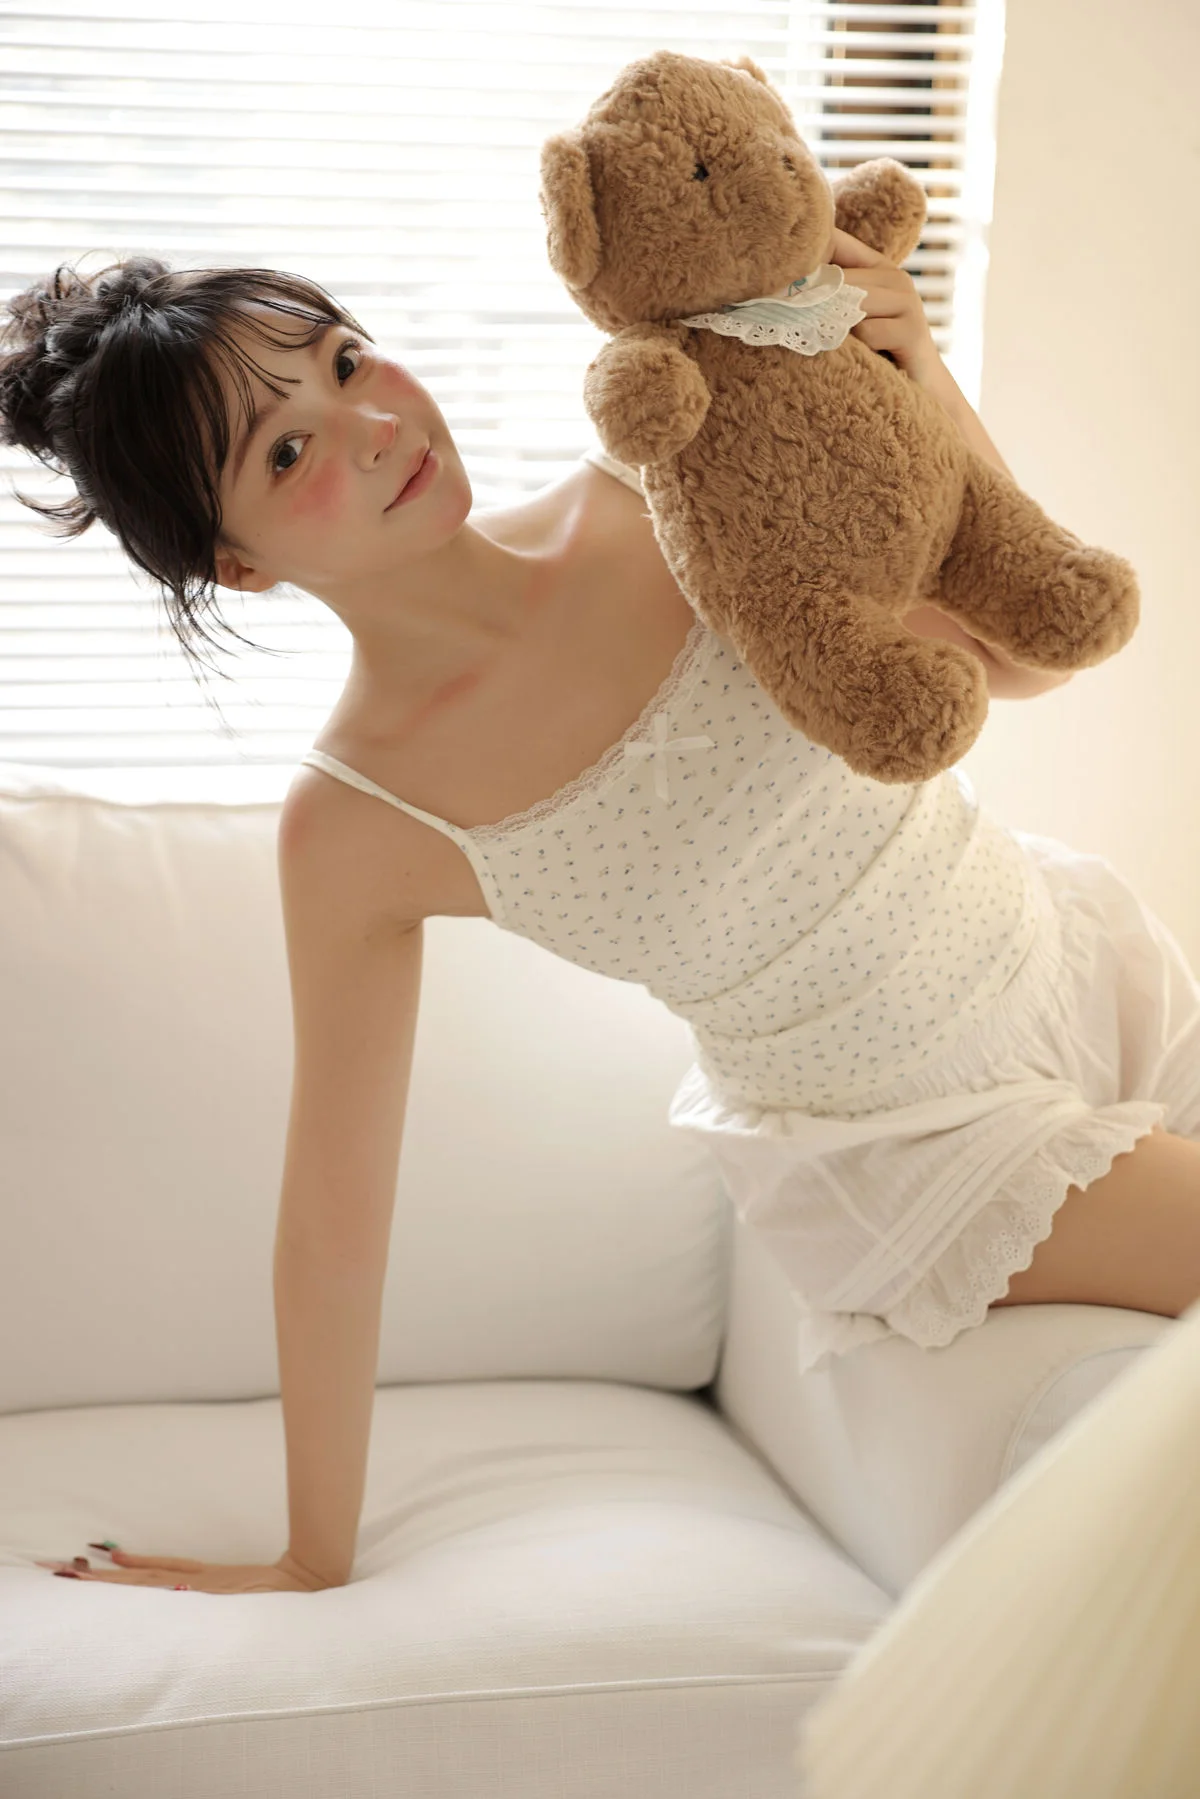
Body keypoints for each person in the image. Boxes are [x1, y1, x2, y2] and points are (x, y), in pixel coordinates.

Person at [2, 239, 1197, 1598]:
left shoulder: (662, 482)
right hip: (927, 1142)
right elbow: (333, 1214)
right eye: (287, 451)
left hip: (1075, 959)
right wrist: (308, 1555)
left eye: (345, 361)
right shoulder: (359, 822)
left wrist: (917, 373)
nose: (374, 422)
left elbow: (1023, 662)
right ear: (238, 565)